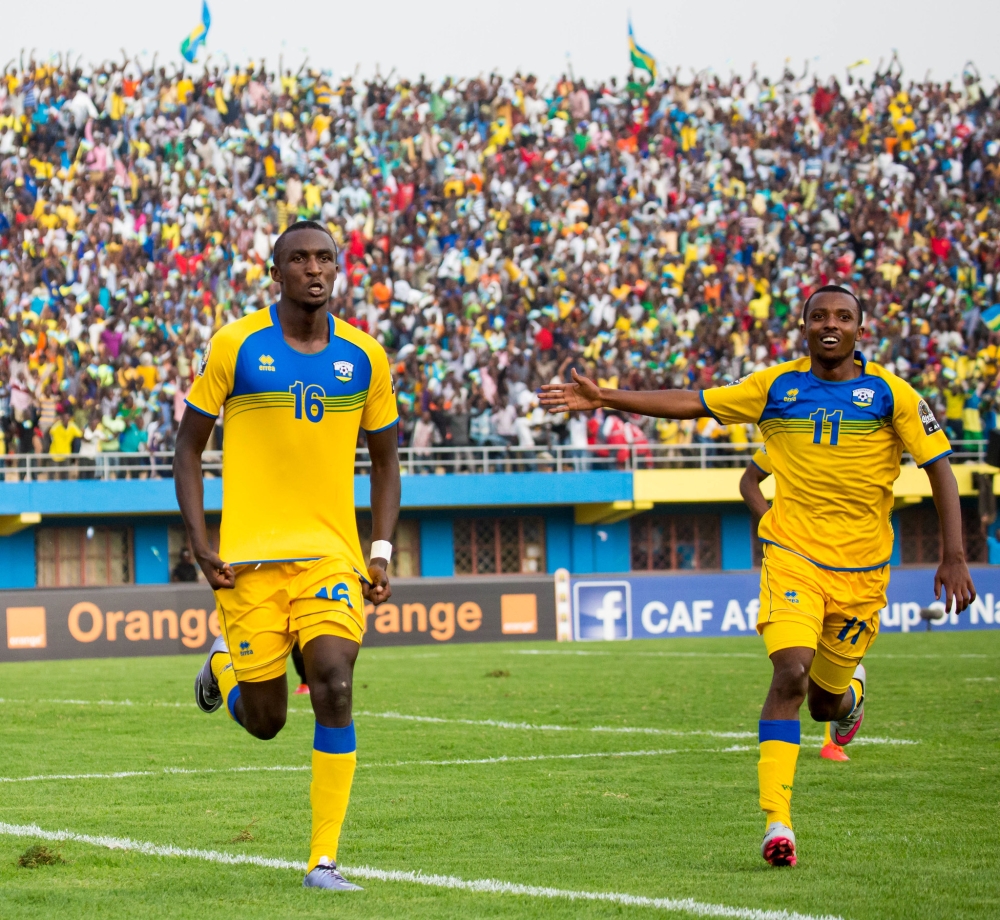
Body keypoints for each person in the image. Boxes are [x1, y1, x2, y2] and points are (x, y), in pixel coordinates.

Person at [541, 284, 977, 867]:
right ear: (802, 326)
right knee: (791, 674)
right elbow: (693, 401)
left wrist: (954, 554)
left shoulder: (891, 396)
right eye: (819, 315)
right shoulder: (776, 388)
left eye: (843, 317)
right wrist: (609, 398)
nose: (831, 324)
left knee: (823, 704)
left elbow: (941, 469)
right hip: (793, 557)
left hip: (863, 573)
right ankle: (778, 823)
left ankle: (849, 698)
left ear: (860, 330)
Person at [173, 220, 400, 892]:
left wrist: (379, 549)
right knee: (268, 721)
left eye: (324, 257)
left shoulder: (365, 358)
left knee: (333, 681)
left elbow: (386, 462)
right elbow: (188, 449)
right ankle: (223, 665)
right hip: (247, 562)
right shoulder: (237, 345)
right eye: (298, 258)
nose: (313, 268)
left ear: (337, 268)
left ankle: (323, 862)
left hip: (330, 557)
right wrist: (199, 537)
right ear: (275, 273)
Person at [741, 449, 848, 762]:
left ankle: (850, 695)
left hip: (851, 565)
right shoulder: (788, 426)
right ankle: (776, 810)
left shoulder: (866, 424)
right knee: (794, 668)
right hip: (794, 566)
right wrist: (775, 531)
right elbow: (749, 481)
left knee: (824, 703)